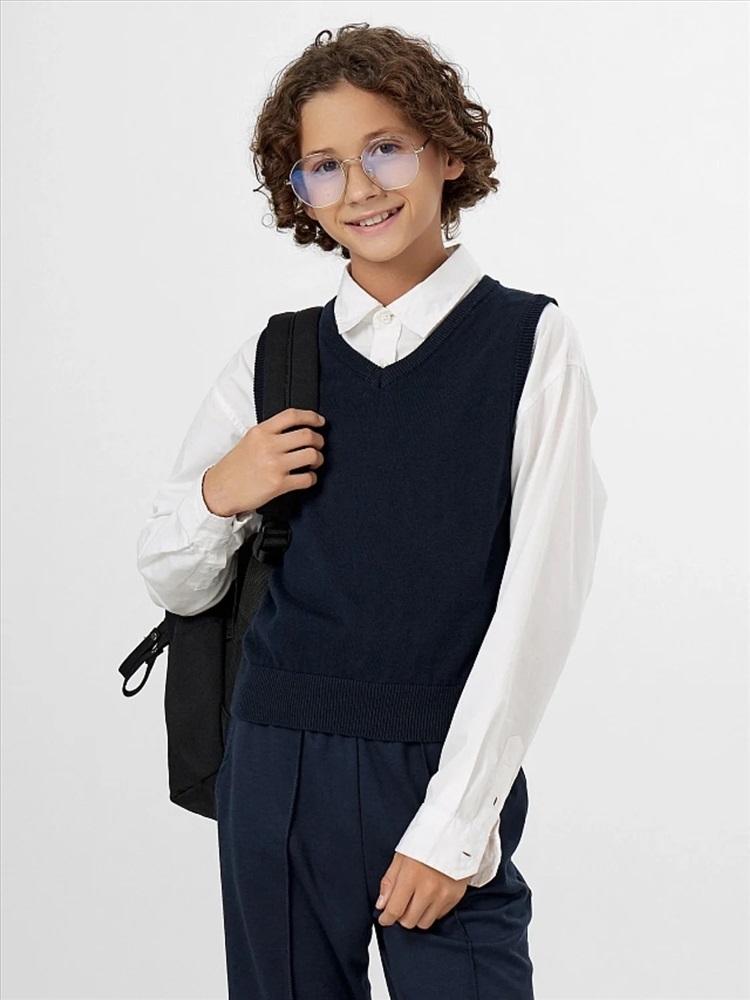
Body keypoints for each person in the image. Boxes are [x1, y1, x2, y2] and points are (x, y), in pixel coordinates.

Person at [136, 22, 608, 1000]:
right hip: (275, 763)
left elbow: (540, 602)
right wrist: (226, 489)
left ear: (447, 152)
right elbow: (172, 578)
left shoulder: (528, 342)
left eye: (385, 148)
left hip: (442, 764)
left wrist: (455, 826)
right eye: (324, 166)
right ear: (299, 193)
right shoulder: (276, 356)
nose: (359, 187)